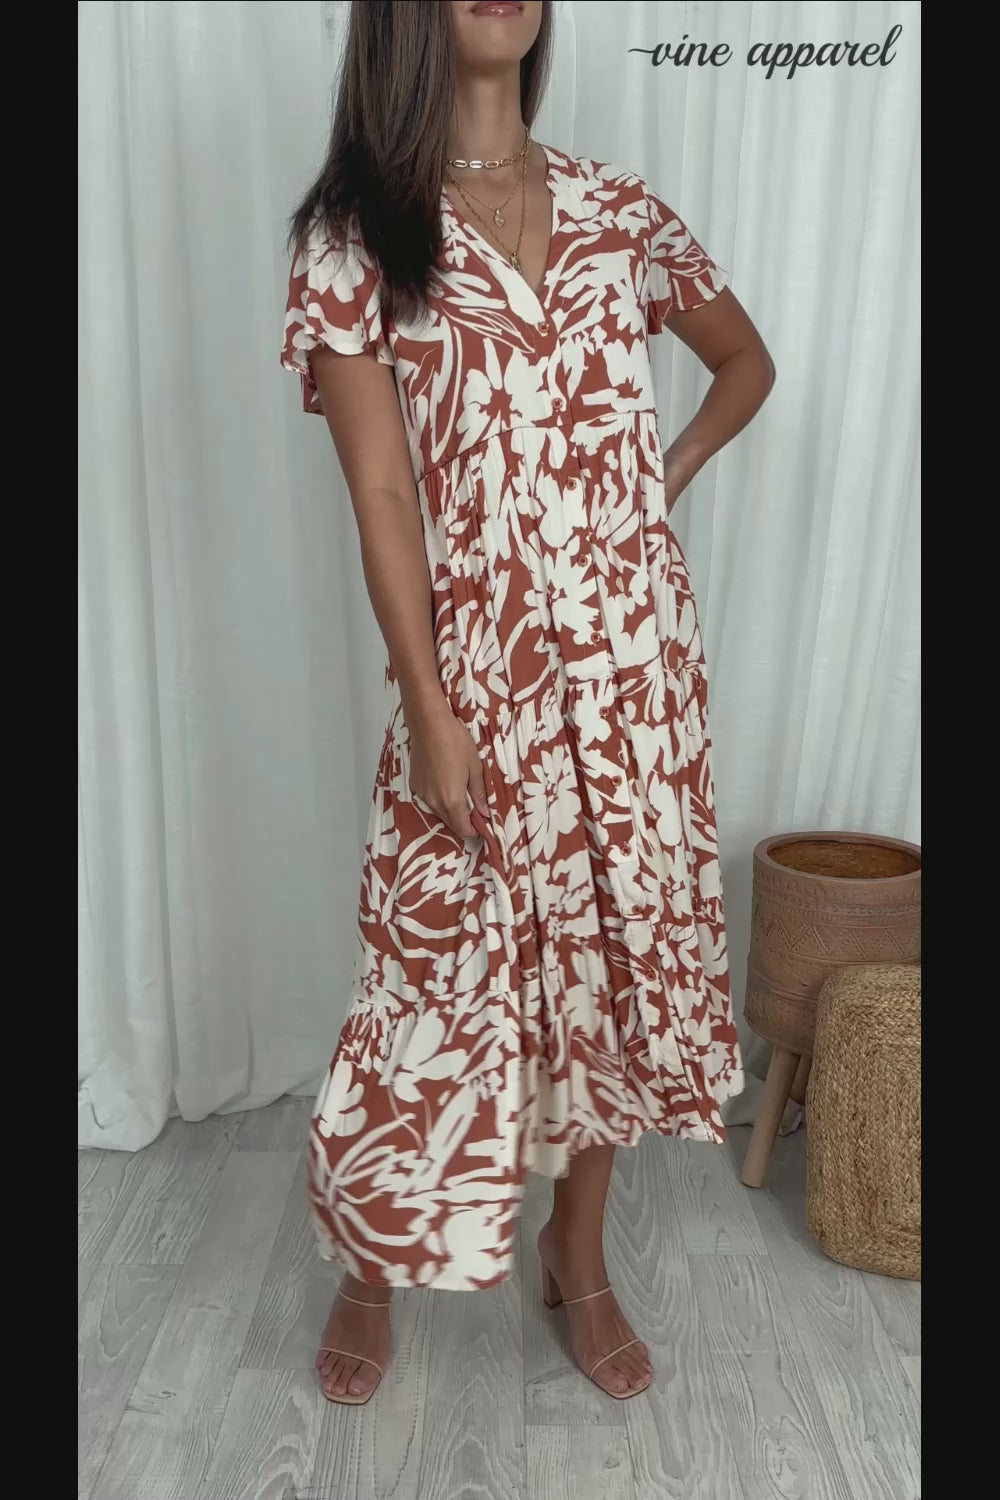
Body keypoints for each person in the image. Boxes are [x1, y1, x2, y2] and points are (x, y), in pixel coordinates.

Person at [281, 0, 773, 1407]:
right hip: (476, 679)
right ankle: (373, 1261)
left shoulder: (622, 212)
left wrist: (659, 479)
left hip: (635, 673)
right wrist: (429, 706)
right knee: (431, 973)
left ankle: (579, 1254)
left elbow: (746, 363)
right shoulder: (357, 235)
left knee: (607, 965)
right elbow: (384, 493)